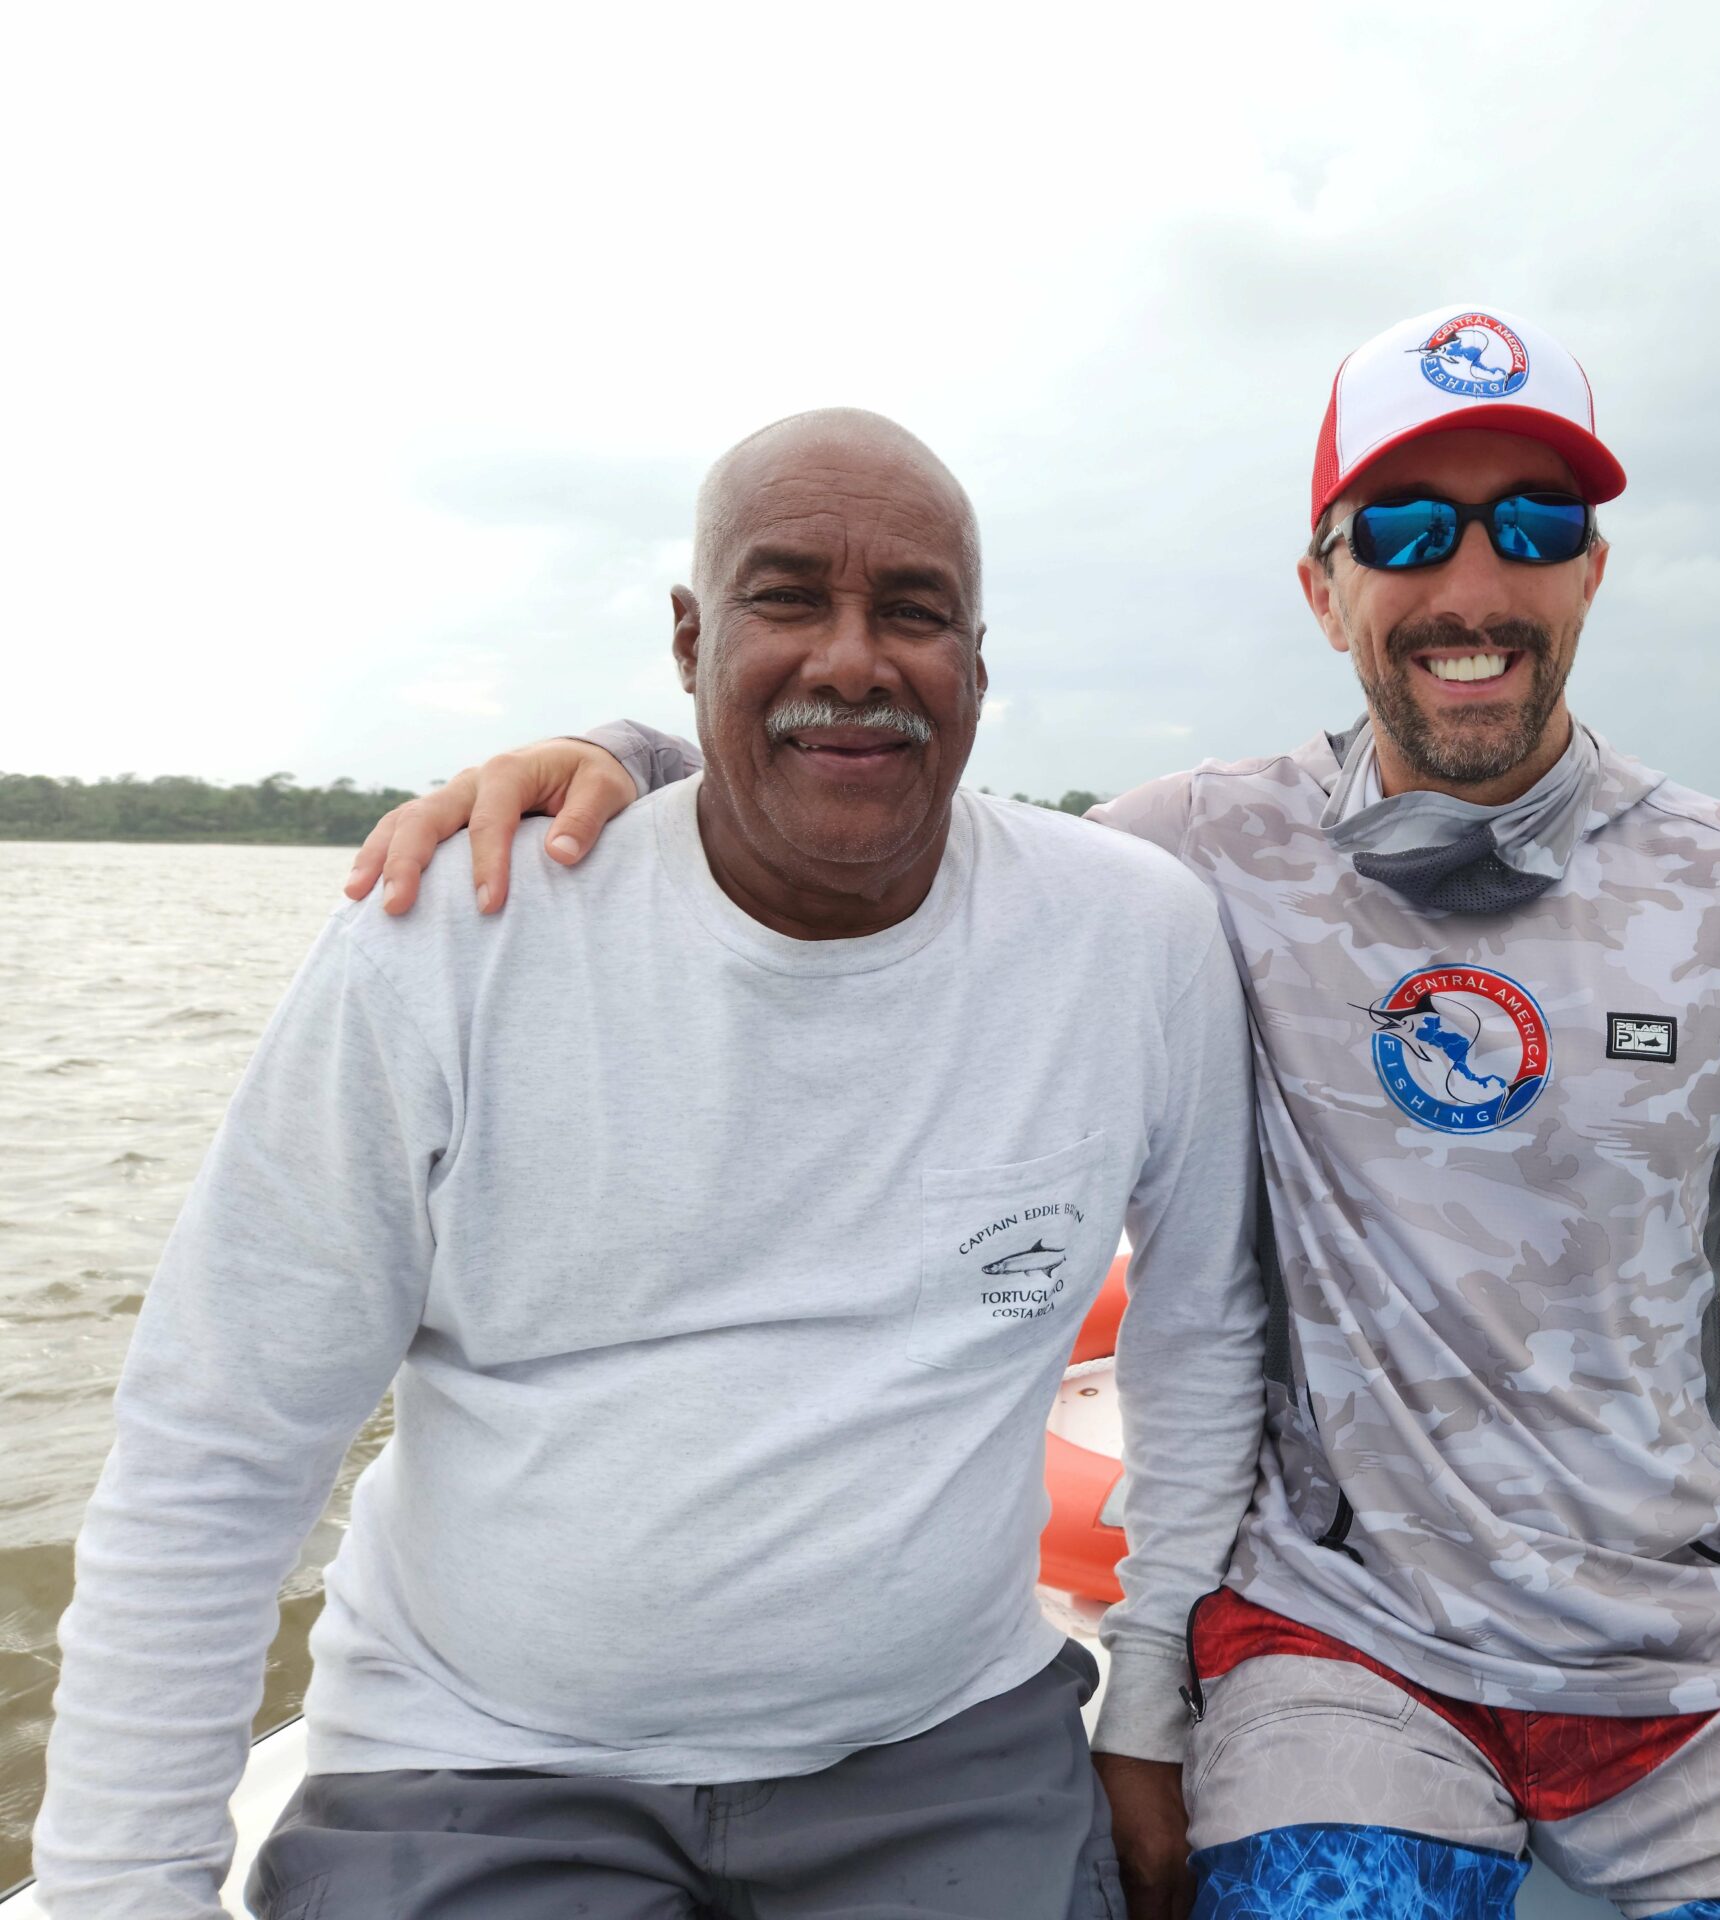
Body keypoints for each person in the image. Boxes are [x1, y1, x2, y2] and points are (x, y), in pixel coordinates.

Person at [354, 306, 1720, 1917]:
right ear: (1325, 590)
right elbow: (884, 792)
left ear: (1593, 572)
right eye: (1401, 532)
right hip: (1340, 1657)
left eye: (1531, 526)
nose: (1471, 584)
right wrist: (624, 759)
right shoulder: (1194, 852)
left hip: (1689, 1660)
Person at [33, 410, 1267, 1920]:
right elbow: (217, 1443)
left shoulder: (1131, 938)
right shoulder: (451, 936)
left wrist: (1149, 1709)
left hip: (942, 1748)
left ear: (980, 666)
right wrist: (122, 1893)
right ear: (690, 641)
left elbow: (1206, 1344)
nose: (854, 659)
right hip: (480, 1763)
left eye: (915, 611)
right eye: (789, 596)